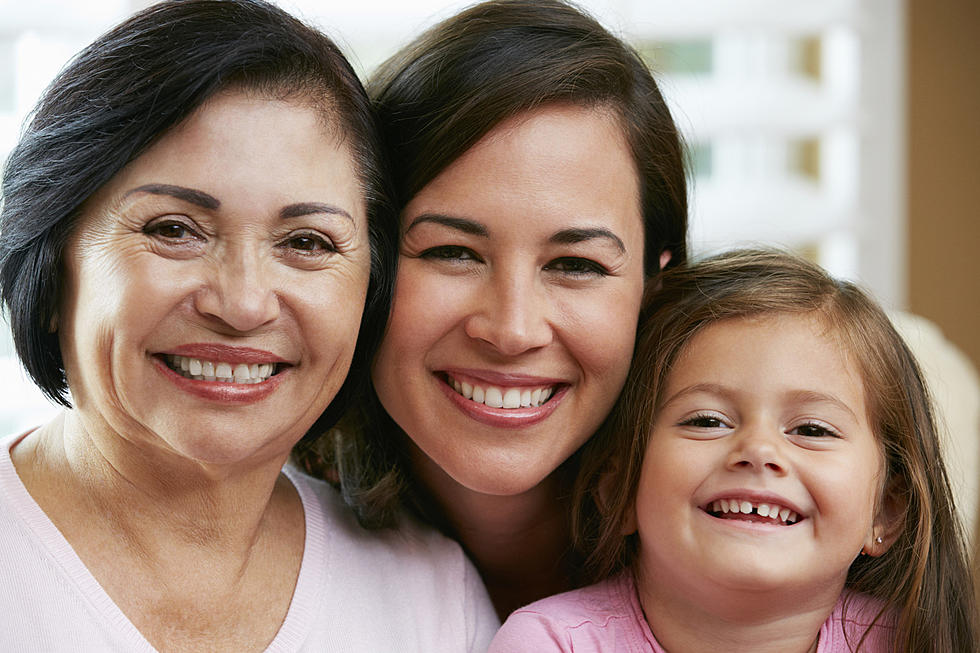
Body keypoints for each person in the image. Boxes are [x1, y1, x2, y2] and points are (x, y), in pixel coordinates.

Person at [0, 1, 496, 650]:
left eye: (308, 241)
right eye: (173, 230)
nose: (242, 304)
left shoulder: (431, 601)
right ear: (52, 259)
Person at [298, 0, 688, 618]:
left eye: (576, 265)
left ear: (654, 291)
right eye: (453, 252)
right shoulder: (265, 538)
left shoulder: (784, 540)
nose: (511, 330)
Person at [489, 249, 979, 652]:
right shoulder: (549, 643)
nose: (759, 450)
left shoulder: (907, 643)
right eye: (707, 421)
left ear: (886, 512)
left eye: (812, 429)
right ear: (618, 485)